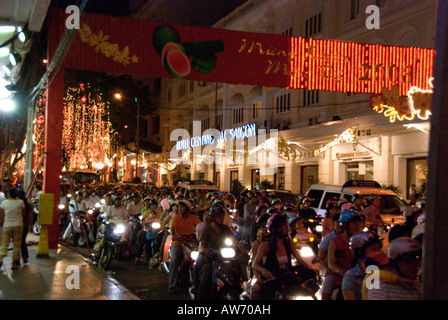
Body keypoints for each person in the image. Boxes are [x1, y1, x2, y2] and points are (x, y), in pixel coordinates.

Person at [252, 213, 312, 299]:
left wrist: (309, 268)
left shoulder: (288, 242)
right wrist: (264, 271)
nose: (285, 228)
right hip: (271, 281)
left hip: (287, 279)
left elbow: (299, 259)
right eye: (282, 226)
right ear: (274, 229)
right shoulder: (265, 245)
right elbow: (255, 264)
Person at [195, 205, 234, 299]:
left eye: (222, 216)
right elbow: (202, 243)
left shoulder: (225, 228)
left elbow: (234, 240)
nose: (221, 218)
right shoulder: (207, 229)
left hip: (224, 257)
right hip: (211, 258)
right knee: (205, 273)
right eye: (218, 216)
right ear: (213, 217)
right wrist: (205, 249)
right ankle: (196, 287)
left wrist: (240, 248)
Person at [327, 209, 364, 299]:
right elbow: (331, 264)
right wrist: (340, 271)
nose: (358, 226)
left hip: (361, 277)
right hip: (341, 278)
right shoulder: (335, 242)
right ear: (345, 225)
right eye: (354, 223)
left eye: (359, 223)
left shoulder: (363, 241)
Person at [168, 200, 201, 294]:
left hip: (190, 243)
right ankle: (172, 285)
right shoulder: (176, 217)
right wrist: (174, 236)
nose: (179, 209)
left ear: (187, 208)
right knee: (174, 261)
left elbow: (200, 226)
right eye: (179, 207)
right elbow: (172, 229)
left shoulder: (193, 217)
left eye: (182, 207)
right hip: (177, 243)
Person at [341, 231, 383, 300]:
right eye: (374, 249)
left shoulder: (384, 270)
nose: (379, 253)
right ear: (360, 252)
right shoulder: (351, 276)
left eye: (379, 249)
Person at [317, 213, 342, 300]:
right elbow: (320, 258)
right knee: (328, 283)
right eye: (337, 222)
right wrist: (326, 268)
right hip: (331, 271)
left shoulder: (350, 238)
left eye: (341, 222)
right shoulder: (328, 239)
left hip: (345, 270)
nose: (339, 225)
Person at [0, 188, 25, 270]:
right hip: (18, 225)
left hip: (7, 225)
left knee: (4, 243)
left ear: (9, 194)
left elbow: (1, 216)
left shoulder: (4, 203)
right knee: (16, 245)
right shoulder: (20, 202)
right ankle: (14, 263)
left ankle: (0, 258)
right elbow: (23, 213)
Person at [18, 189, 33, 264]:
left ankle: (16, 259)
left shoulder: (18, 204)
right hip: (25, 225)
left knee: (17, 242)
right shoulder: (28, 204)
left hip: (18, 224)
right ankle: (25, 256)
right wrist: (31, 225)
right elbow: (30, 215)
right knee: (23, 241)